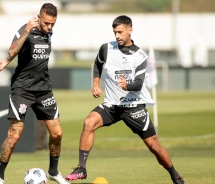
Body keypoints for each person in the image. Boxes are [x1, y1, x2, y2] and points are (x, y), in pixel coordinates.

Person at [65, 15, 186, 184]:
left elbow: (138, 84)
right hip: (112, 105)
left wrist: (126, 85)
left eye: (120, 32)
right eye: (115, 32)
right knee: (89, 123)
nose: (117, 36)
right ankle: (81, 169)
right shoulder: (106, 48)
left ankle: (175, 175)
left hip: (134, 107)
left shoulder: (140, 56)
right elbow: (97, 64)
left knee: (154, 146)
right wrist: (96, 84)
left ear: (130, 30)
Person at [0, 3, 69, 184]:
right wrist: (25, 32)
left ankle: (53, 172)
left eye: (53, 24)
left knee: (57, 134)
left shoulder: (49, 32)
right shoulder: (26, 29)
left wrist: (7, 60)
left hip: (43, 90)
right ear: (38, 17)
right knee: (14, 135)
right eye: (46, 23)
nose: (49, 27)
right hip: (22, 90)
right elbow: (12, 50)